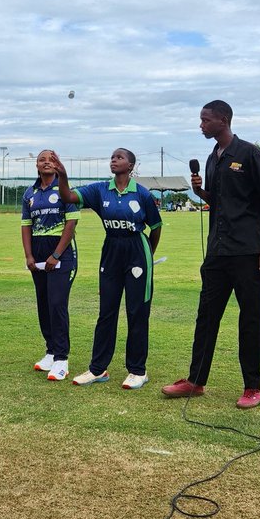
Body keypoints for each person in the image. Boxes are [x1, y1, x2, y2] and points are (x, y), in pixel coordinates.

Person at [162, 100, 260, 409]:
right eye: (201, 120)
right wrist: (201, 193)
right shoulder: (212, 159)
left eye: (205, 120)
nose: (201, 125)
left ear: (223, 120)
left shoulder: (249, 153)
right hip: (217, 252)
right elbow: (220, 202)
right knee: (206, 316)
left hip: (248, 252)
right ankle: (196, 381)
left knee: (250, 318)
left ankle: (252, 386)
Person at [49, 148, 162, 389]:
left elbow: (156, 226)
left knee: (137, 313)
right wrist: (63, 176)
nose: (114, 160)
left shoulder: (142, 194)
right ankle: (98, 369)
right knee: (106, 312)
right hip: (111, 250)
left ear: (131, 165)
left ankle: (138, 371)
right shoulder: (100, 189)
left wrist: (147, 256)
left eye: (120, 157)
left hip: (137, 251)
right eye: (112, 157)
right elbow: (68, 196)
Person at [21, 149, 79, 381]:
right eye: (42, 160)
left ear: (57, 165)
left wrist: (56, 254)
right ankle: (51, 351)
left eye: (51, 159)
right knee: (43, 303)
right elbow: (26, 225)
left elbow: (71, 223)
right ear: (36, 166)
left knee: (57, 304)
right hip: (37, 253)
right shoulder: (30, 193)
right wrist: (28, 255)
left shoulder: (64, 190)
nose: (46, 163)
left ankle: (62, 359)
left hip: (62, 255)